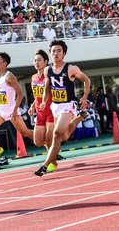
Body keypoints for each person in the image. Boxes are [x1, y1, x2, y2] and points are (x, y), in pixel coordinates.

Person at [34, 40, 90, 176]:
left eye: (59, 51)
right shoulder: (47, 70)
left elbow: (86, 80)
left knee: (56, 134)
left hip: (68, 105)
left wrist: (84, 97)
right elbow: (47, 88)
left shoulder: (71, 68)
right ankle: (81, 117)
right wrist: (44, 100)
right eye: (53, 51)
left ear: (64, 53)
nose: (56, 53)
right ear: (50, 54)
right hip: (56, 106)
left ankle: (45, 165)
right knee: (64, 136)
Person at [0, 52, 33, 165]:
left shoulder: (9, 76)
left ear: (5, 63)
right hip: (0, 110)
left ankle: (47, 141)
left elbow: (20, 94)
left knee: (25, 133)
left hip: (11, 110)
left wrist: (15, 110)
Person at [28, 49, 55, 154]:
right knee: (38, 142)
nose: (37, 63)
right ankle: (54, 148)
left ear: (46, 62)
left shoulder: (50, 76)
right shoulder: (33, 78)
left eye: (39, 60)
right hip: (39, 112)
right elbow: (36, 96)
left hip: (50, 110)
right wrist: (32, 106)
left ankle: (52, 157)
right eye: (35, 60)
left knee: (49, 137)